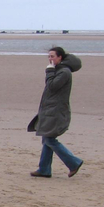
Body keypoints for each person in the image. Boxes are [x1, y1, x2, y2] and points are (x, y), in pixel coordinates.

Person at [27, 46, 84, 178]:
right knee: (46, 139)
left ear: (60, 57)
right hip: (49, 110)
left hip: (56, 111)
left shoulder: (64, 72)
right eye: (49, 56)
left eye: (52, 56)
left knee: (50, 139)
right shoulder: (59, 70)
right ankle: (44, 169)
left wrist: (49, 71)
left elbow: (52, 86)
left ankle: (73, 163)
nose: (50, 59)